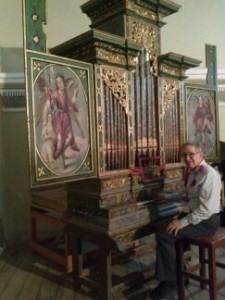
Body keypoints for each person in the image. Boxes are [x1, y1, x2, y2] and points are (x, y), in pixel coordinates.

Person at [149, 141, 222, 299]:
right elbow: (186, 195)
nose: (187, 158)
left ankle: (169, 284)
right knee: (162, 227)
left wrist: (181, 222)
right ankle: (181, 276)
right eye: (184, 155)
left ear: (200, 154)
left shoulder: (209, 175)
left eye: (191, 154)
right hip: (196, 214)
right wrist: (166, 196)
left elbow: (205, 210)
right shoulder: (192, 171)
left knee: (166, 236)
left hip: (208, 220)